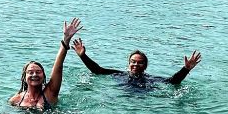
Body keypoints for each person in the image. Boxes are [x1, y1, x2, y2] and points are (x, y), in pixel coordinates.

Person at [10, 18, 83, 109]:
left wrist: (66, 40)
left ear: (44, 76)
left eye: (38, 72)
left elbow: (58, 67)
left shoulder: (51, 92)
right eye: (30, 72)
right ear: (24, 77)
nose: (34, 74)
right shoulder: (16, 100)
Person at [72, 37, 201, 86]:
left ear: (145, 66)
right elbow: (97, 70)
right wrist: (83, 56)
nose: (135, 65)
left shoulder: (150, 79)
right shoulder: (119, 74)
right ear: (128, 63)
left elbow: (172, 81)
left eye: (140, 63)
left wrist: (186, 69)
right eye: (133, 61)